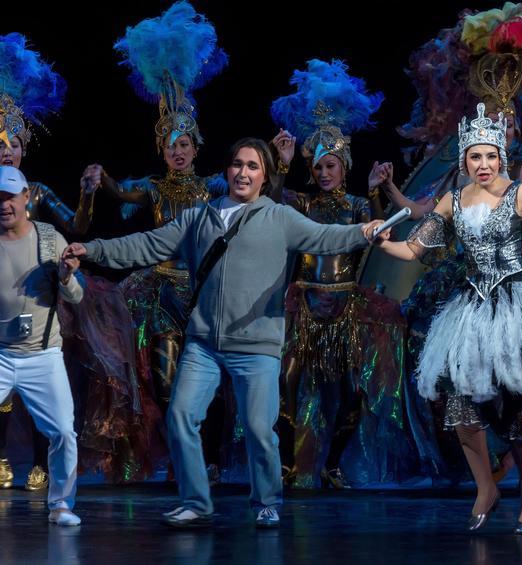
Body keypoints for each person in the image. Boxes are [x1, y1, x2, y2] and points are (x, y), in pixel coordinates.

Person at [65, 138, 384, 528]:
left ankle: (266, 501)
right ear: (227, 170)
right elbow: (146, 244)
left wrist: (364, 232)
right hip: (203, 344)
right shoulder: (200, 217)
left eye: (253, 166)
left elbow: (325, 237)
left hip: (256, 345)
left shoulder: (280, 217)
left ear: (265, 177)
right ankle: (196, 501)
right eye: (237, 164)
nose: (243, 172)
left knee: (259, 429)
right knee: (181, 416)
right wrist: (93, 250)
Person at [373, 103, 522, 533]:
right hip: (472, 308)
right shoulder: (452, 201)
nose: (483, 164)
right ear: (464, 161)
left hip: (517, 305)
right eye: (475, 157)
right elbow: (412, 249)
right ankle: (485, 487)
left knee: (519, 403)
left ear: (500, 156)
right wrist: (380, 240)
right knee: (459, 402)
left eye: (489, 156)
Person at [76, 2, 230, 481]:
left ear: (196, 148)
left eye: (184, 144)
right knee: (164, 382)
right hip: (160, 293)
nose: (177, 151)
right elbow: (122, 192)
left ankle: (205, 456)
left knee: (208, 379)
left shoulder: (212, 186)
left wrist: (279, 165)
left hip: (203, 291)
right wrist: (101, 180)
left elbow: (251, 189)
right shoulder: (155, 187)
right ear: (161, 151)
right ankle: (177, 454)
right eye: (170, 145)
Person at [270, 59, 414, 488]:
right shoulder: (302, 203)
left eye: (330, 165)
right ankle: (288, 463)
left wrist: (374, 192)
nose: (323, 173)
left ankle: (332, 463)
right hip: (305, 306)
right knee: (287, 385)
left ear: (344, 166)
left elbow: (377, 233)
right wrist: (281, 165)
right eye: (317, 167)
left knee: (353, 391)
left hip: (347, 307)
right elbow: (272, 206)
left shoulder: (356, 205)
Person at [0, 32, 93, 493]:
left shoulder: (35, 195)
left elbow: (76, 225)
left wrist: (88, 195)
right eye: (0, 144)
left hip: (40, 318)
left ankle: (47, 475)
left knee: (52, 409)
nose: (6, 150)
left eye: (13, 144)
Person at [0, 165, 83, 526]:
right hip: (1, 354)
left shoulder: (49, 239)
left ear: (25, 198)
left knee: (63, 431)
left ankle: (61, 504)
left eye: (10, 197)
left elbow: (76, 297)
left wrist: (65, 277)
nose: (4, 205)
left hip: (43, 355)